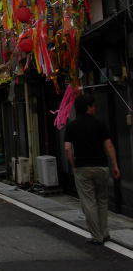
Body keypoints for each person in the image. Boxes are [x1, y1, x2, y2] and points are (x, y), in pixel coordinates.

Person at [64, 94, 121, 245]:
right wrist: (115, 165)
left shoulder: (72, 125)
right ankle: (105, 232)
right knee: (102, 200)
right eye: (93, 105)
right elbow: (108, 145)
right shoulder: (100, 123)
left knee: (89, 202)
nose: (95, 108)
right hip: (101, 166)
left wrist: (73, 165)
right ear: (88, 107)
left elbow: (68, 149)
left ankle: (97, 236)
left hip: (82, 168)